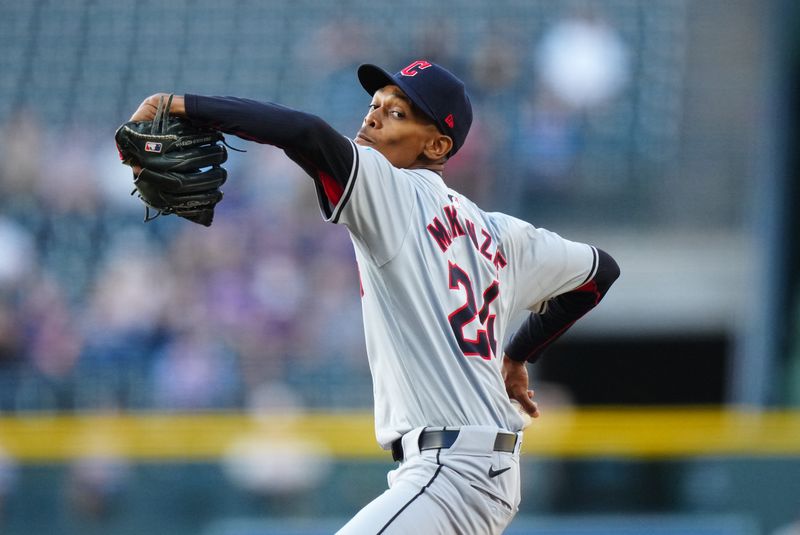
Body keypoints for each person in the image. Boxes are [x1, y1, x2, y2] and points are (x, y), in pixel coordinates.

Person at [124, 59, 619, 534]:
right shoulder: (503, 235)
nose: (375, 114)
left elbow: (307, 134)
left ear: (437, 145)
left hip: (452, 472)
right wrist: (517, 354)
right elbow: (599, 273)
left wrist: (182, 104)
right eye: (376, 102)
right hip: (471, 471)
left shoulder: (393, 191)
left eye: (398, 112)